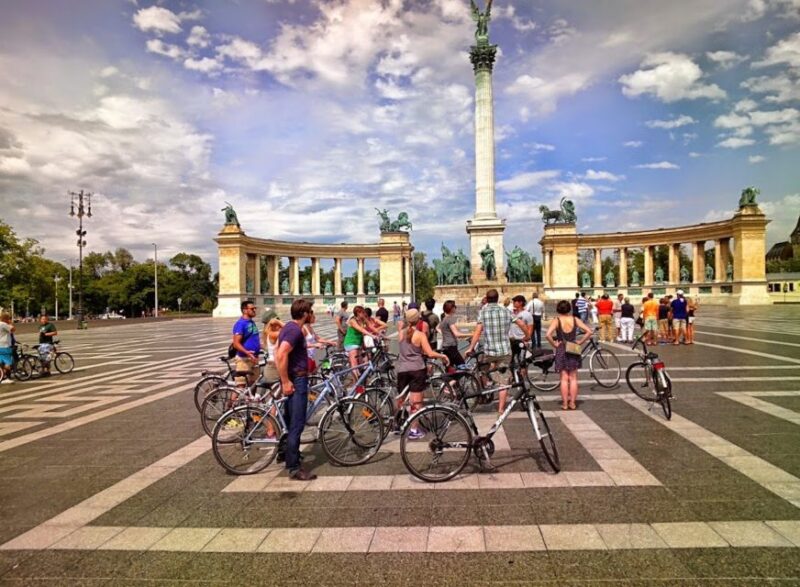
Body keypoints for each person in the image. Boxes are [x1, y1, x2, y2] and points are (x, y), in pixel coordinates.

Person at [465, 289, 529, 414]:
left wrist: (471, 347)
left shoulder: (483, 312)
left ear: (487, 299)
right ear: (497, 298)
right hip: (505, 350)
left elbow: (478, 332)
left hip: (489, 351)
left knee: (482, 370)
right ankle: (501, 409)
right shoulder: (506, 311)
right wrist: (527, 335)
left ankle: (487, 384)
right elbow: (520, 322)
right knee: (503, 381)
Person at [275, 299, 317, 481]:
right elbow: (281, 353)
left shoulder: (289, 328)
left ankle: (286, 453)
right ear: (305, 313)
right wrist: (285, 380)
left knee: (289, 419)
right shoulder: (293, 330)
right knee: (297, 424)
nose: (312, 314)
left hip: (295, 377)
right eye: (311, 311)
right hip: (296, 379)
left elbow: (280, 352)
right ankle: (293, 467)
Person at [398, 309, 450, 439]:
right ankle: (414, 429)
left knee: (402, 399)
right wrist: (442, 356)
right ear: (418, 319)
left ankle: (399, 423)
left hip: (402, 369)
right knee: (417, 401)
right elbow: (429, 353)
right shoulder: (420, 335)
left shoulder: (401, 333)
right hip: (417, 369)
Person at [545, 300, 592, 410]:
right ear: (569, 309)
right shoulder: (575, 319)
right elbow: (589, 331)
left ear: (558, 309)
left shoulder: (556, 320)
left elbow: (548, 335)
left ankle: (565, 403)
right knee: (573, 377)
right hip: (573, 347)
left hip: (561, 347)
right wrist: (580, 342)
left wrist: (554, 344)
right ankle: (573, 403)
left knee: (564, 378)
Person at [231, 301, 261, 386]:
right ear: (244, 310)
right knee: (241, 387)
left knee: (253, 385)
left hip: (254, 359)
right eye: (252, 309)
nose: (254, 310)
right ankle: (233, 400)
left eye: (255, 308)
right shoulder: (240, 324)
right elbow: (236, 343)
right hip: (244, 359)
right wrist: (247, 352)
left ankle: (251, 400)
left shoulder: (251, 322)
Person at [440, 300, 470, 367]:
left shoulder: (444, 319)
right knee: (462, 366)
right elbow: (457, 334)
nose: (455, 308)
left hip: (446, 346)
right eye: (454, 307)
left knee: (450, 368)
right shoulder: (449, 319)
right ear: (451, 308)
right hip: (451, 347)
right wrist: (471, 334)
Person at [302, 309, 333, 374]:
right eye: (313, 316)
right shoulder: (303, 328)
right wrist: (315, 345)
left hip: (312, 356)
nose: (315, 317)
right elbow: (301, 344)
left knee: (314, 375)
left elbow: (317, 338)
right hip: (306, 357)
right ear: (308, 317)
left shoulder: (309, 327)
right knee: (309, 377)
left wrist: (330, 342)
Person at [509, 295, 533, 362]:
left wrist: (527, 339)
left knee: (523, 362)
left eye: (515, 301)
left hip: (522, 340)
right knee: (511, 362)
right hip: (512, 341)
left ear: (521, 303)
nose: (513, 303)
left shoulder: (527, 314)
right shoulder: (512, 313)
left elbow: (530, 328)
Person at [262, 314, 285, 382]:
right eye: (277, 323)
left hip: (275, 365)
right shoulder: (273, 334)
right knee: (275, 392)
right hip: (274, 367)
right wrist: (278, 322)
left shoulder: (270, 333)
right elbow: (288, 330)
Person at [0, 311, 15, 384]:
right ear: (5, 318)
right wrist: (10, 323)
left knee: (1, 362)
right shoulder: (3, 324)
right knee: (8, 362)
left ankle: (2, 376)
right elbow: (13, 330)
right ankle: (8, 377)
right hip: (5, 345)